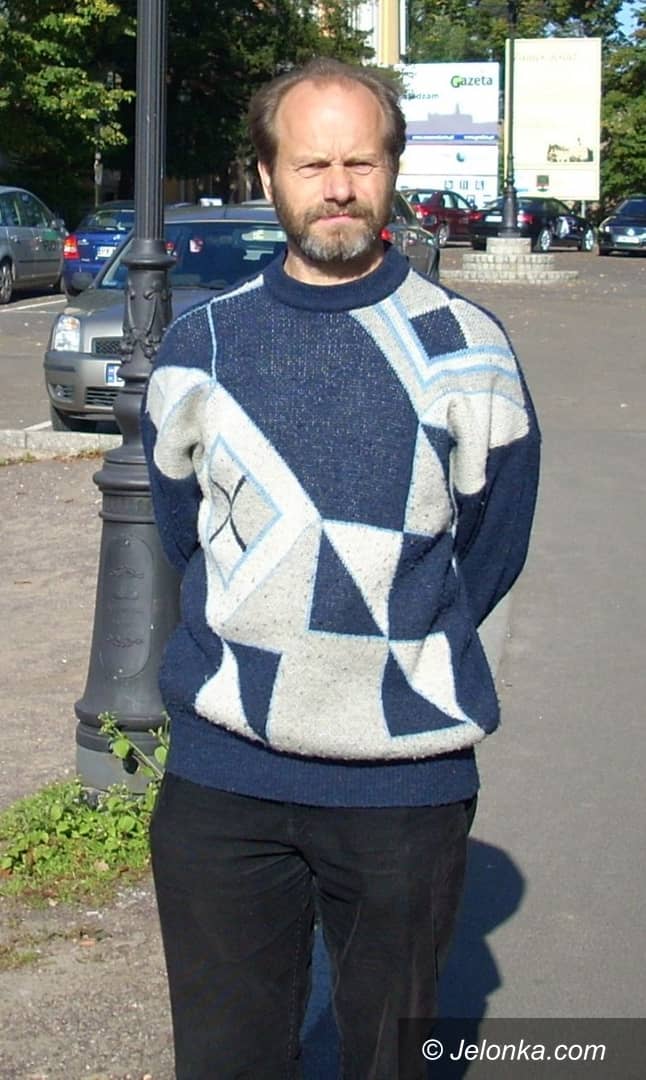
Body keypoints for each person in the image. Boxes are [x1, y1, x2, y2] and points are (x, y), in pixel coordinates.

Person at [141, 57, 540, 1080]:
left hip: (403, 784)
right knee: (225, 1063)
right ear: (266, 174)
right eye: (311, 163)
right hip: (223, 782)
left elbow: (488, 550)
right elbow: (187, 537)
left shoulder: (470, 350)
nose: (338, 188)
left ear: (393, 170)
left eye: (361, 162)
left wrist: (380, 648)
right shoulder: (202, 346)